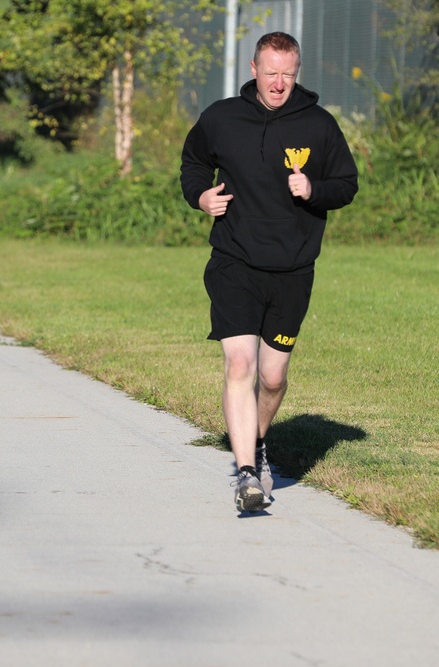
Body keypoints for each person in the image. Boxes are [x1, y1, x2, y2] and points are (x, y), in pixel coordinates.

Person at [180, 32, 359, 513]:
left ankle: (258, 443)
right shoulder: (221, 117)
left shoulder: (319, 126)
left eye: (288, 74)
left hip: (293, 268)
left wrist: (314, 188)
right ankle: (244, 474)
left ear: (296, 73)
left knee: (273, 377)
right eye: (271, 72)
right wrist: (200, 196)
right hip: (234, 260)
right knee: (240, 363)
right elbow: (193, 162)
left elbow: (346, 184)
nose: (279, 83)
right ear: (254, 68)